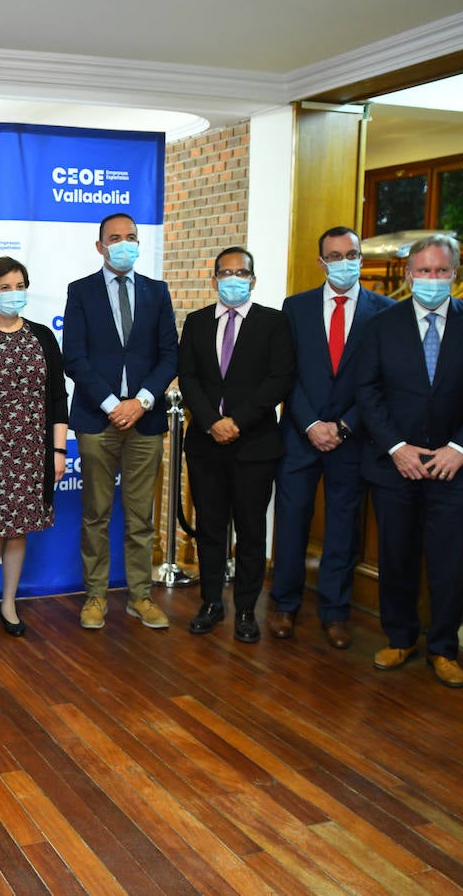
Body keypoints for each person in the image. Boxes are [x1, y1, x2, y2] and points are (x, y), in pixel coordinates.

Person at [355, 234, 463, 688]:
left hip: (455, 467)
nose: (432, 279)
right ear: (408, 275)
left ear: (455, 274)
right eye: (424, 271)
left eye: (441, 271)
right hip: (395, 464)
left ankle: (443, 647)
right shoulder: (382, 324)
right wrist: (396, 447)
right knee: (397, 556)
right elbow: (368, 391)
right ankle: (400, 638)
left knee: (450, 561)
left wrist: (458, 449)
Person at [270, 227, 395, 649]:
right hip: (300, 435)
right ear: (321, 262)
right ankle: (285, 606)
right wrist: (310, 424)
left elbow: (381, 382)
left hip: (353, 439)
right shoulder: (296, 307)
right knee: (291, 524)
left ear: (362, 257)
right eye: (335, 255)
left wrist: (344, 426)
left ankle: (335, 612)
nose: (345, 261)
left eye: (352, 253)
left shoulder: (385, 311)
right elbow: (286, 373)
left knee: (344, 527)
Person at [62, 212, 178, 631]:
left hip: (145, 421)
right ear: (100, 246)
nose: (124, 243)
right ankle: (95, 596)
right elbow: (73, 355)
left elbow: (170, 354)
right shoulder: (80, 292)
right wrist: (114, 404)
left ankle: (140, 596)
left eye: (131, 237)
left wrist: (141, 402)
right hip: (98, 418)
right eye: (115, 238)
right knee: (96, 512)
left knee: (140, 515)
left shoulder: (157, 291)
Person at [178, 247, 295, 643]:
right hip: (206, 444)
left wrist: (236, 421)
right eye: (225, 273)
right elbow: (188, 377)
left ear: (253, 279)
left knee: (249, 531)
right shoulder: (195, 323)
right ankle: (211, 603)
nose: (233, 279)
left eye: (241, 272)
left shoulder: (274, 323)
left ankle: (246, 608)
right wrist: (212, 422)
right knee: (210, 528)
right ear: (214, 280)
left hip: (254, 444)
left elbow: (278, 379)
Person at [0, 256, 68, 637]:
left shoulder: (43, 335)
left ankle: (9, 603)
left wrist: (58, 452)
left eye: (20, 285)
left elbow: (58, 396)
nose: (14, 294)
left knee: (19, 531)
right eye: (5, 287)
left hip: (33, 450)